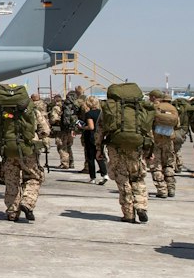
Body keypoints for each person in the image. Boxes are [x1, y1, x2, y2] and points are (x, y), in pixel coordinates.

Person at [0, 82, 49, 222]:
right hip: (28, 149)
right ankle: (27, 202)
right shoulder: (32, 110)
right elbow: (45, 130)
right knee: (34, 177)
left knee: (11, 181)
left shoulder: (1, 111)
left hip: (8, 149)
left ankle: (12, 212)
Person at [100, 82, 153, 223]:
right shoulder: (139, 108)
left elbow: (100, 130)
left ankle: (129, 214)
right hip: (136, 146)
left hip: (115, 146)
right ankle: (141, 206)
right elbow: (147, 129)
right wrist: (150, 149)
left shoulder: (110, 109)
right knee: (137, 177)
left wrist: (98, 148)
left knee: (122, 178)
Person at [147, 88, 180, 199]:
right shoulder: (172, 108)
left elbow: (147, 125)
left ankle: (162, 190)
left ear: (153, 97)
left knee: (156, 166)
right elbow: (177, 125)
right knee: (169, 165)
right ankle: (171, 188)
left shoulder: (152, 108)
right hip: (168, 141)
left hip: (155, 141)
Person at [77, 92, 107, 183]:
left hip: (90, 136)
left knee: (90, 157)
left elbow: (91, 127)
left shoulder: (89, 114)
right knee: (99, 155)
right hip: (100, 136)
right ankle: (104, 174)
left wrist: (81, 127)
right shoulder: (102, 113)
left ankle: (93, 177)